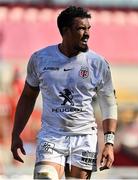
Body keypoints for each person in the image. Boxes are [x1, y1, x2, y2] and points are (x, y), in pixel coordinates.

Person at [11, 6, 118, 179]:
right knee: (44, 175)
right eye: (81, 28)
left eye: (88, 28)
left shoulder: (97, 63)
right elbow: (27, 97)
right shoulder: (40, 59)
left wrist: (109, 143)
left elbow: (109, 103)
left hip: (84, 137)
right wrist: (16, 134)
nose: (87, 33)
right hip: (52, 135)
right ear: (65, 31)